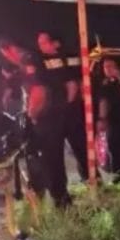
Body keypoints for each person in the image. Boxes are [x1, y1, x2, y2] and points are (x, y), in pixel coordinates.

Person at [2, 35, 69, 206]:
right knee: (49, 160)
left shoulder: (29, 59)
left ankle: (58, 200)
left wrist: (32, 115)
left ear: (9, 49)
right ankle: (56, 198)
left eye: (6, 54)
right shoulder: (33, 58)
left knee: (48, 160)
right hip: (52, 117)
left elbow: (39, 89)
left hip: (46, 119)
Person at [36, 30, 88, 183]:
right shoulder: (71, 57)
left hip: (62, 112)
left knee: (57, 155)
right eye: (39, 43)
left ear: (56, 43)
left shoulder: (48, 61)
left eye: (44, 42)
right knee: (81, 151)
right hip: (72, 112)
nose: (40, 47)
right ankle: (91, 181)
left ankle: (65, 190)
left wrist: (66, 107)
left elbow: (73, 85)